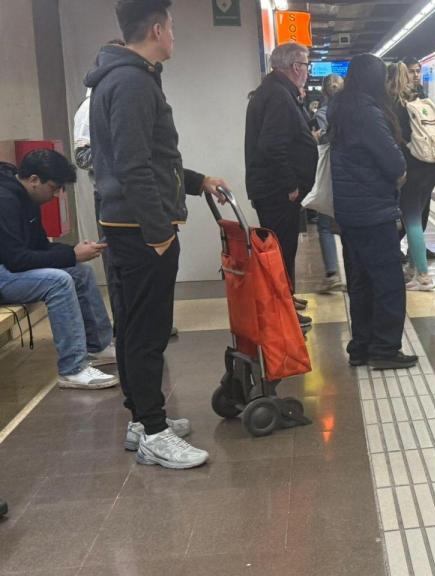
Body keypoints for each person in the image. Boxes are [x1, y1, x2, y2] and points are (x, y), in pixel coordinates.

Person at [87, 0, 229, 469]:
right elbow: (132, 165)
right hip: (141, 229)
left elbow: (151, 158)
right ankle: (152, 431)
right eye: (171, 27)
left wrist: (196, 181)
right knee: (146, 332)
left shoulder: (127, 77)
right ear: (155, 28)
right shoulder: (131, 82)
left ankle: (140, 418)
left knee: (132, 327)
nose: (174, 35)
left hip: (128, 224)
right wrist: (158, 232)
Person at [72, 38, 180, 339]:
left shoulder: (129, 88)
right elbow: (83, 156)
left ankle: (143, 327)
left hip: (134, 194)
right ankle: (129, 327)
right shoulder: (95, 102)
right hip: (116, 199)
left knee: (146, 300)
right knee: (127, 285)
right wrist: (115, 158)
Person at [0, 151, 118, 390]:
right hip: (5, 271)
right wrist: (71, 254)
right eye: (53, 188)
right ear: (34, 179)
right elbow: (16, 259)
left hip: (10, 268)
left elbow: (40, 247)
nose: (55, 196)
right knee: (59, 280)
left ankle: (98, 345)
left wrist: (74, 252)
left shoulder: (28, 198)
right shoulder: (5, 200)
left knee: (79, 271)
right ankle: (72, 368)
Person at [328, 53, 418, 370]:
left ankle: (361, 346)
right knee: (389, 281)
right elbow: (392, 161)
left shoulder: (339, 106)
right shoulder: (367, 111)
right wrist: (400, 169)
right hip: (372, 210)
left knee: (360, 281)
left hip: (349, 210)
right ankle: (384, 348)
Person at [244, 42, 319, 328]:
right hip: (277, 191)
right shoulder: (277, 95)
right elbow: (272, 145)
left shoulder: (277, 91)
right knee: (279, 250)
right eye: (305, 65)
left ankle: (286, 296)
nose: (306, 72)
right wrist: (291, 184)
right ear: (293, 67)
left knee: (283, 249)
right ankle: (282, 309)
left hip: (273, 189)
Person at [388, 62, 435, 292]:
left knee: (413, 222)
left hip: (410, 170)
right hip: (429, 167)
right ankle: (413, 269)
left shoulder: (394, 106)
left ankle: (424, 277)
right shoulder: (421, 100)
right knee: (415, 218)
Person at [401, 56, 435, 261]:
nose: (416, 75)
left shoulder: (421, 95)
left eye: (418, 71)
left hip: (426, 161)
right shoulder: (399, 98)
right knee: (410, 212)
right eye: (411, 71)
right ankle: (413, 254)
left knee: (421, 210)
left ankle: (416, 250)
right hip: (411, 162)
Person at [312, 73, 344, 293]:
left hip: (328, 173)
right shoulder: (355, 112)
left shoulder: (323, 113)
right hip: (350, 174)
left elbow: (324, 140)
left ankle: (332, 273)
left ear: (324, 92)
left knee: (325, 224)